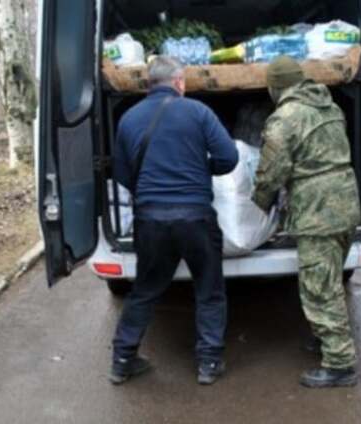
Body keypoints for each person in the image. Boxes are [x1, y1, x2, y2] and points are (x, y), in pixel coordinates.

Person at [111, 56, 239, 386]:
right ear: (179, 82)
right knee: (209, 289)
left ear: (148, 84)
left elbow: (123, 174)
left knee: (145, 290)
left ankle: (122, 360)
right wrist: (201, 170)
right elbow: (229, 158)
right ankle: (208, 364)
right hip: (195, 217)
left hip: (150, 220)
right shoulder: (198, 112)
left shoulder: (128, 119)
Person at [252, 56, 361, 388]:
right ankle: (324, 337)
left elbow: (272, 172)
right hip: (345, 202)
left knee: (319, 288)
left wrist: (258, 204)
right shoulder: (330, 107)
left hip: (317, 212)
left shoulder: (285, 118)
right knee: (331, 279)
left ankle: (340, 364)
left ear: (275, 87)